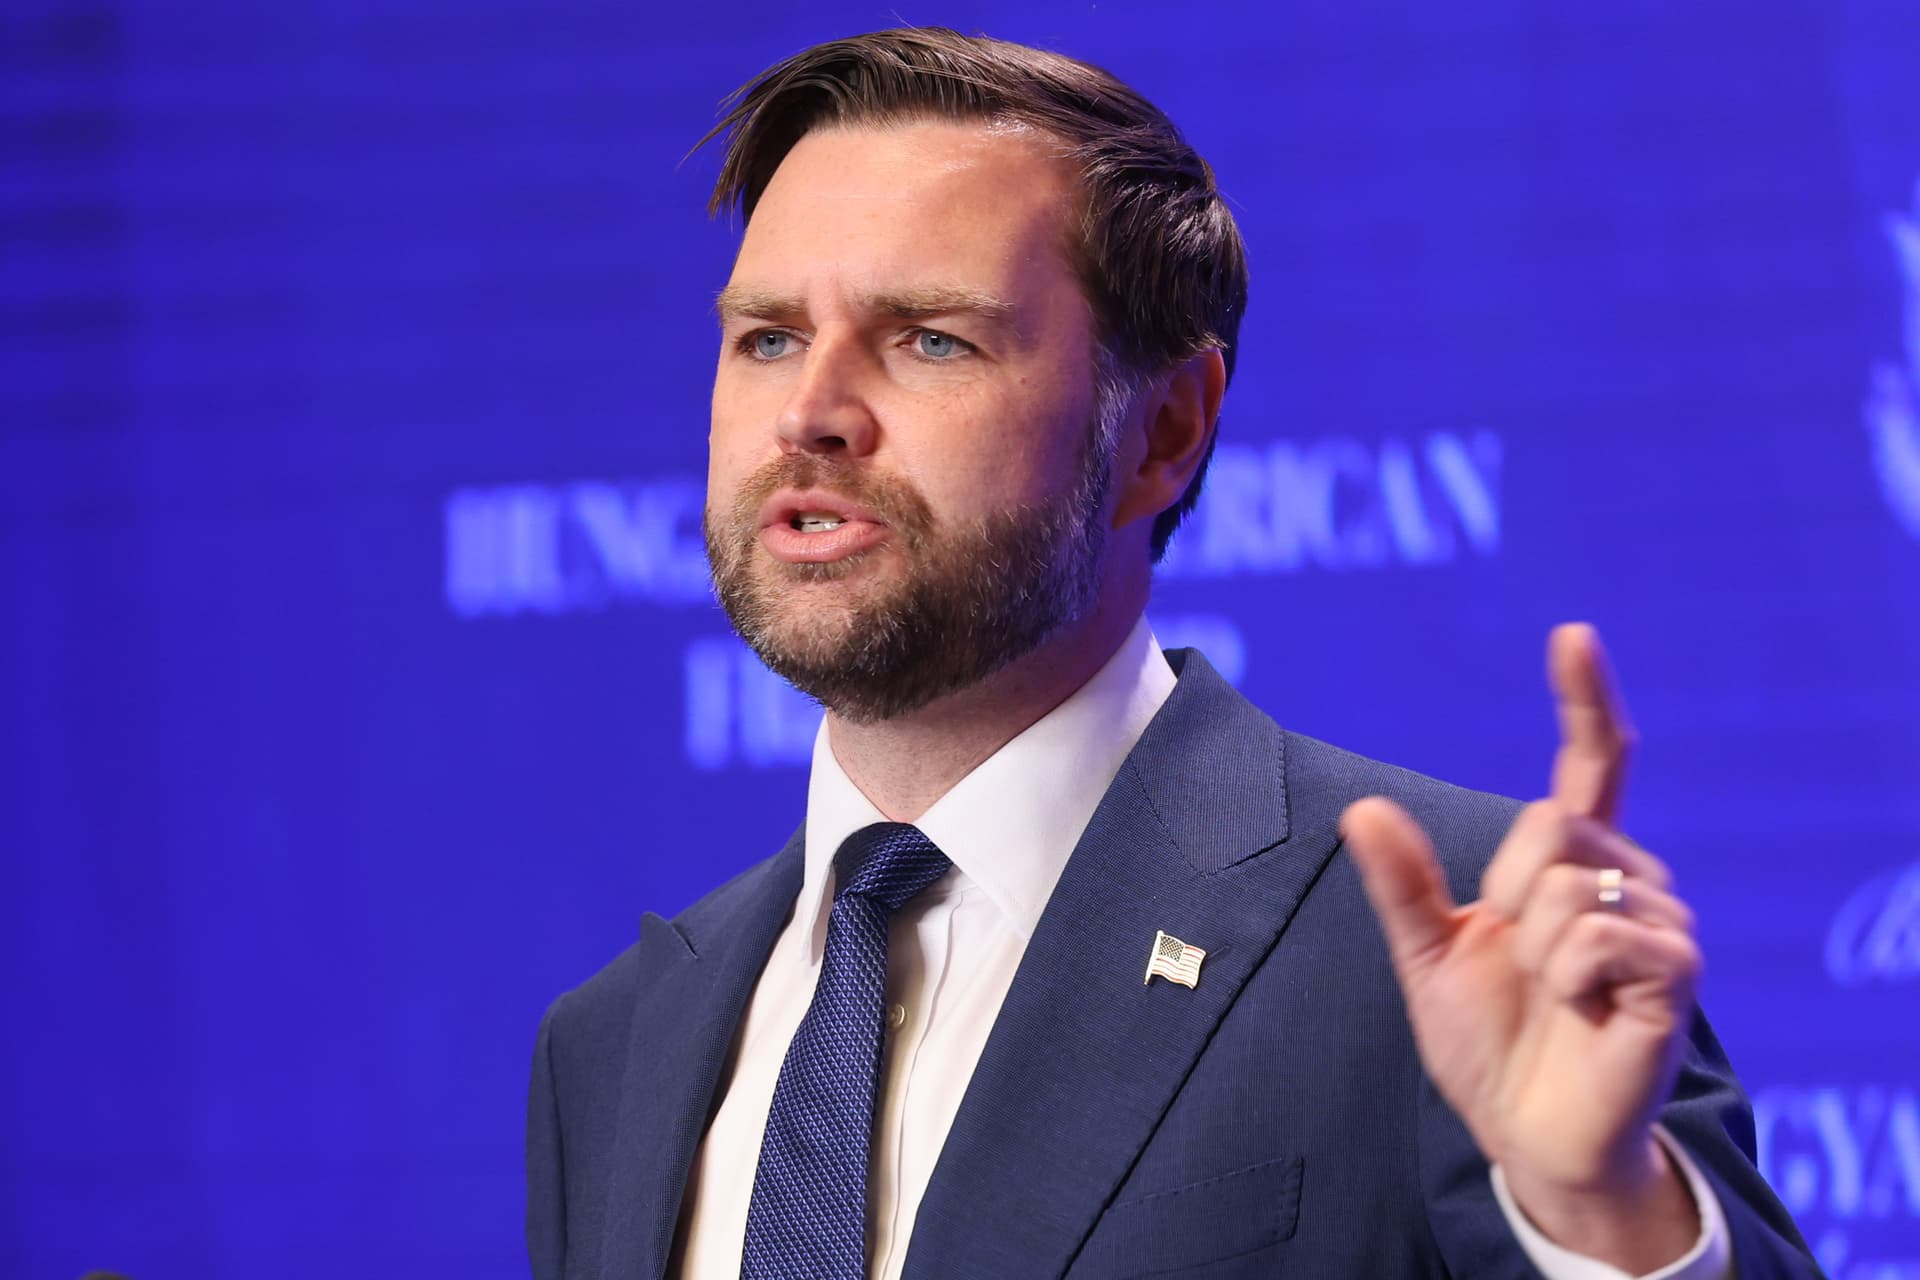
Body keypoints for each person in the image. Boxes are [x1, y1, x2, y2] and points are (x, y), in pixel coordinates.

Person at [525, 28, 1817, 1279]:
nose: (809, 413)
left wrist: (1599, 1218)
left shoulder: (1452, 936)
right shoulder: (615, 1047)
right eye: (768, 338)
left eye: (930, 339)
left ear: (1164, 433)